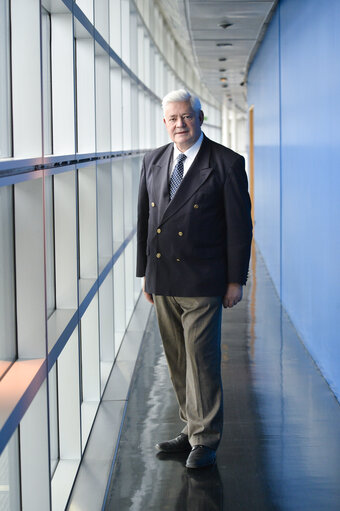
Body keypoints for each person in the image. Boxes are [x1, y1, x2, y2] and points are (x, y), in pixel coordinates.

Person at [136, 89, 252, 469]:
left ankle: (206, 439)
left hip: (203, 278)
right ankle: (190, 428)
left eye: (186, 117)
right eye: (172, 118)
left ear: (199, 118)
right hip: (164, 277)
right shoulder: (153, 161)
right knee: (177, 360)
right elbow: (146, 222)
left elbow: (239, 227)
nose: (179, 124)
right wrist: (145, 274)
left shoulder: (226, 163)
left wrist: (235, 280)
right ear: (164, 122)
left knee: (201, 359)